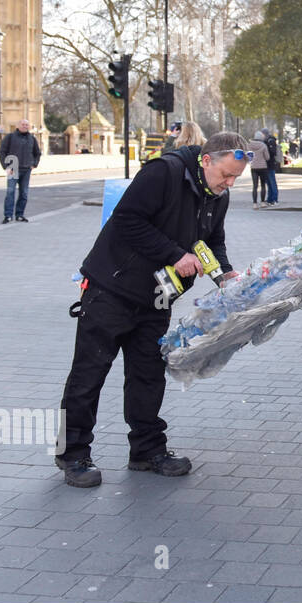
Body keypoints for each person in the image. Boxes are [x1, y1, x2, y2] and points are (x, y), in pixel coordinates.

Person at [55, 132, 249, 488]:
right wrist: (175, 255)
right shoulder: (164, 172)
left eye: (236, 177)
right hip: (112, 288)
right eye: (225, 174)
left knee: (148, 374)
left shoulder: (217, 196)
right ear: (206, 160)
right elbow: (127, 220)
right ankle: (73, 454)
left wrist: (224, 274)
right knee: (89, 372)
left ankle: (146, 450)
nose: (229, 183)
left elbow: (211, 240)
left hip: (158, 296)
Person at [0, 119, 41, 224]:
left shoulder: (32, 138)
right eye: (23, 124)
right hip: (13, 168)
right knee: (10, 192)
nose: (25, 126)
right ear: (18, 126)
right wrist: (6, 166)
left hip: (26, 169)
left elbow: (37, 153)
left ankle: (19, 215)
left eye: (27, 125)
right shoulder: (10, 137)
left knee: (24, 193)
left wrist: (34, 164)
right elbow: (2, 152)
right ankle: (8, 215)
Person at [247, 131, 269, 208]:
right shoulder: (263, 145)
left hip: (254, 167)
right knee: (263, 185)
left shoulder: (249, 145)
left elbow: (249, 157)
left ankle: (254, 204)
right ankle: (262, 202)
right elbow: (267, 157)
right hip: (263, 167)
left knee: (255, 186)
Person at [260, 128, 281, 206]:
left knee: (272, 182)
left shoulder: (270, 140)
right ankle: (269, 199)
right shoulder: (266, 141)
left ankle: (274, 199)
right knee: (268, 183)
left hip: (270, 164)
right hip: (266, 165)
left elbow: (273, 152)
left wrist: (266, 150)